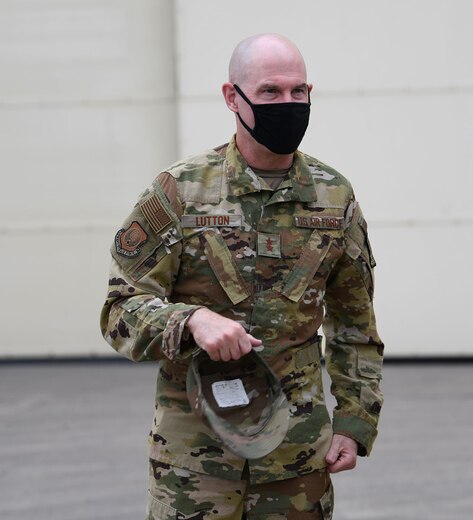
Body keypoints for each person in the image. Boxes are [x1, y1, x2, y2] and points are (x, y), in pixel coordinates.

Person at [100, 33, 384, 520]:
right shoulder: (181, 191)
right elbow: (119, 310)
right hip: (196, 464)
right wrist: (190, 321)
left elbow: (355, 326)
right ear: (233, 97)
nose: (288, 103)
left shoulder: (334, 196)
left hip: (297, 461)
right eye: (270, 91)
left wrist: (354, 421)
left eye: (298, 91)